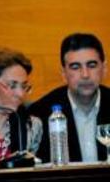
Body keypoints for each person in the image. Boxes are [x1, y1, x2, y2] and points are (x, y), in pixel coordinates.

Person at [29, 33, 109, 162]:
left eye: (92, 65)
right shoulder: (40, 113)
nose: (85, 74)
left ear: (104, 69)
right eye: (75, 67)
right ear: (63, 74)